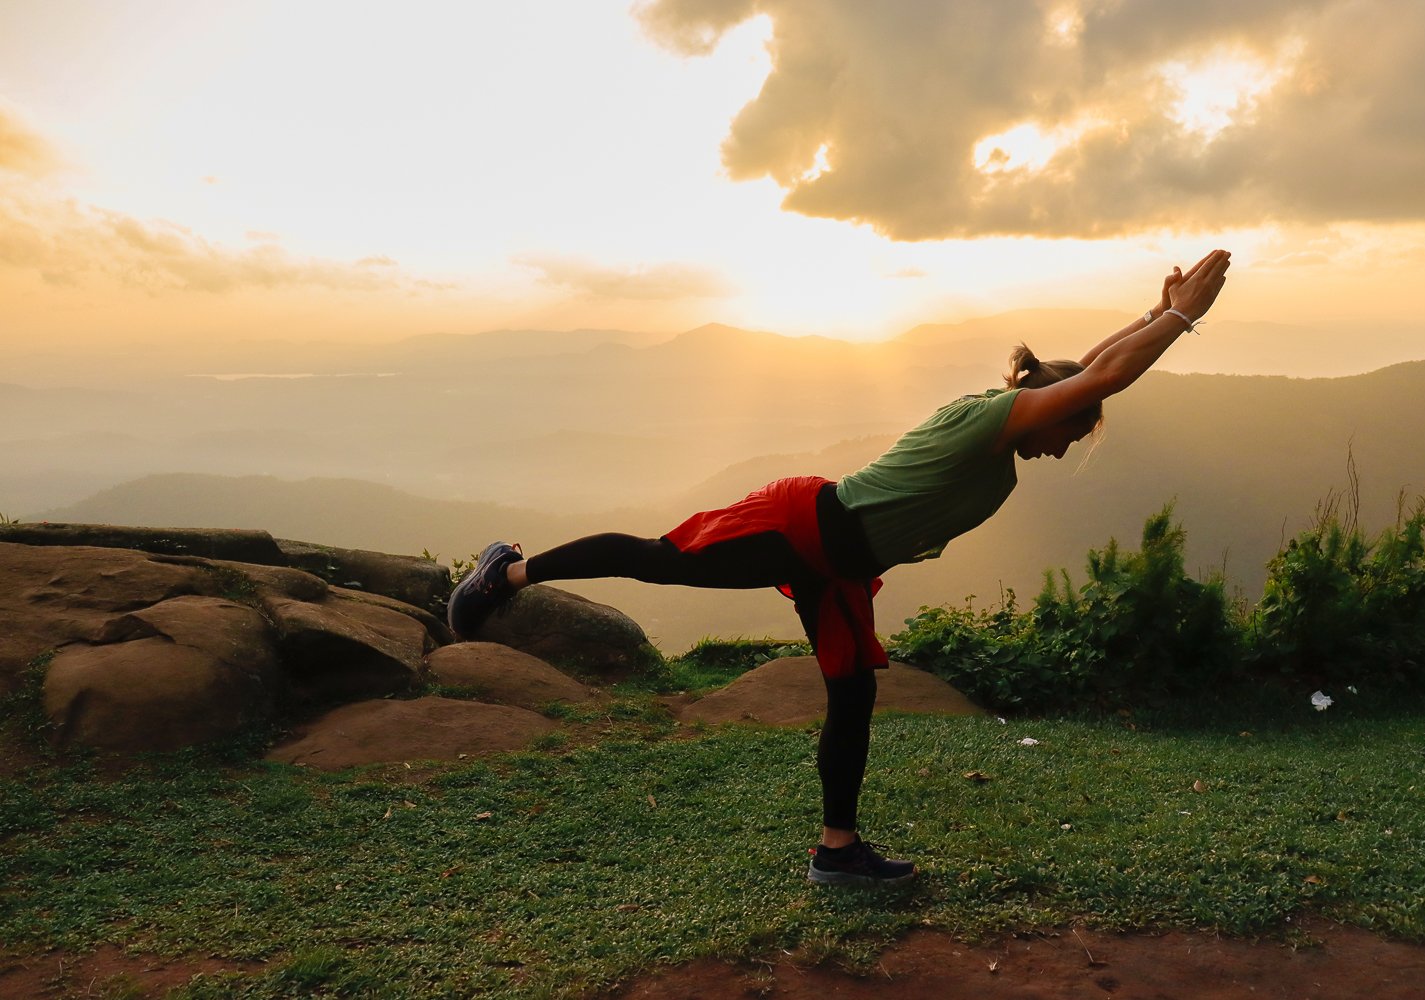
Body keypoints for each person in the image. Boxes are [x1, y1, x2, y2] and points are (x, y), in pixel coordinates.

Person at [447, 249, 1232, 887]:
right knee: (658, 561)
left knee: (852, 696)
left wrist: (1148, 312)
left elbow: (1087, 369)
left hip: (836, 566)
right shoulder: (995, 422)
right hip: (800, 528)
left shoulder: (1014, 419)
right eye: (1071, 433)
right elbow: (1098, 378)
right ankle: (507, 574)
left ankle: (836, 851)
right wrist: (1180, 319)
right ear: (1048, 410)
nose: (1064, 449)